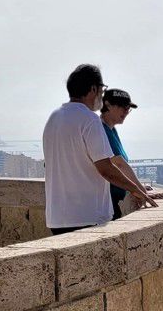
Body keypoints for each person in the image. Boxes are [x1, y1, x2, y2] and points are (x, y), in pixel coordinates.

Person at [42, 64, 157, 234]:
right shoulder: (89, 119)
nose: (102, 97)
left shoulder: (54, 117)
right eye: (102, 91)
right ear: (93, 89)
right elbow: (106, 169)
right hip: (87, 217)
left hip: (57, 218)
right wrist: (137, 191)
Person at [99, 88, 162, 219]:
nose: (126, 111)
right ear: (107, 105)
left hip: (116, 199)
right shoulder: (101, 130)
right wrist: (142, 192)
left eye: (128, 108)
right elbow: (119, 164)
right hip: (109, 203)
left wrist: (139, 189)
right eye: (122, 106)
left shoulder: (111, 130)